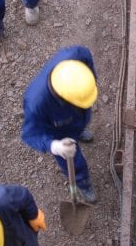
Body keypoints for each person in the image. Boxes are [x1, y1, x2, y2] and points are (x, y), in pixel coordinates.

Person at [21, 45, 98, 204]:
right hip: (59, 130)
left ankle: (79, 131)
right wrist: (53, 145)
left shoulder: (75, 56)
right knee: (72, 159)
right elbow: (30, 134)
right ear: (63, 98)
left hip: (75, 114)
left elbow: (86, 55)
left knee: (81, 118)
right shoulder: (37, 104)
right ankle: (82, 182)